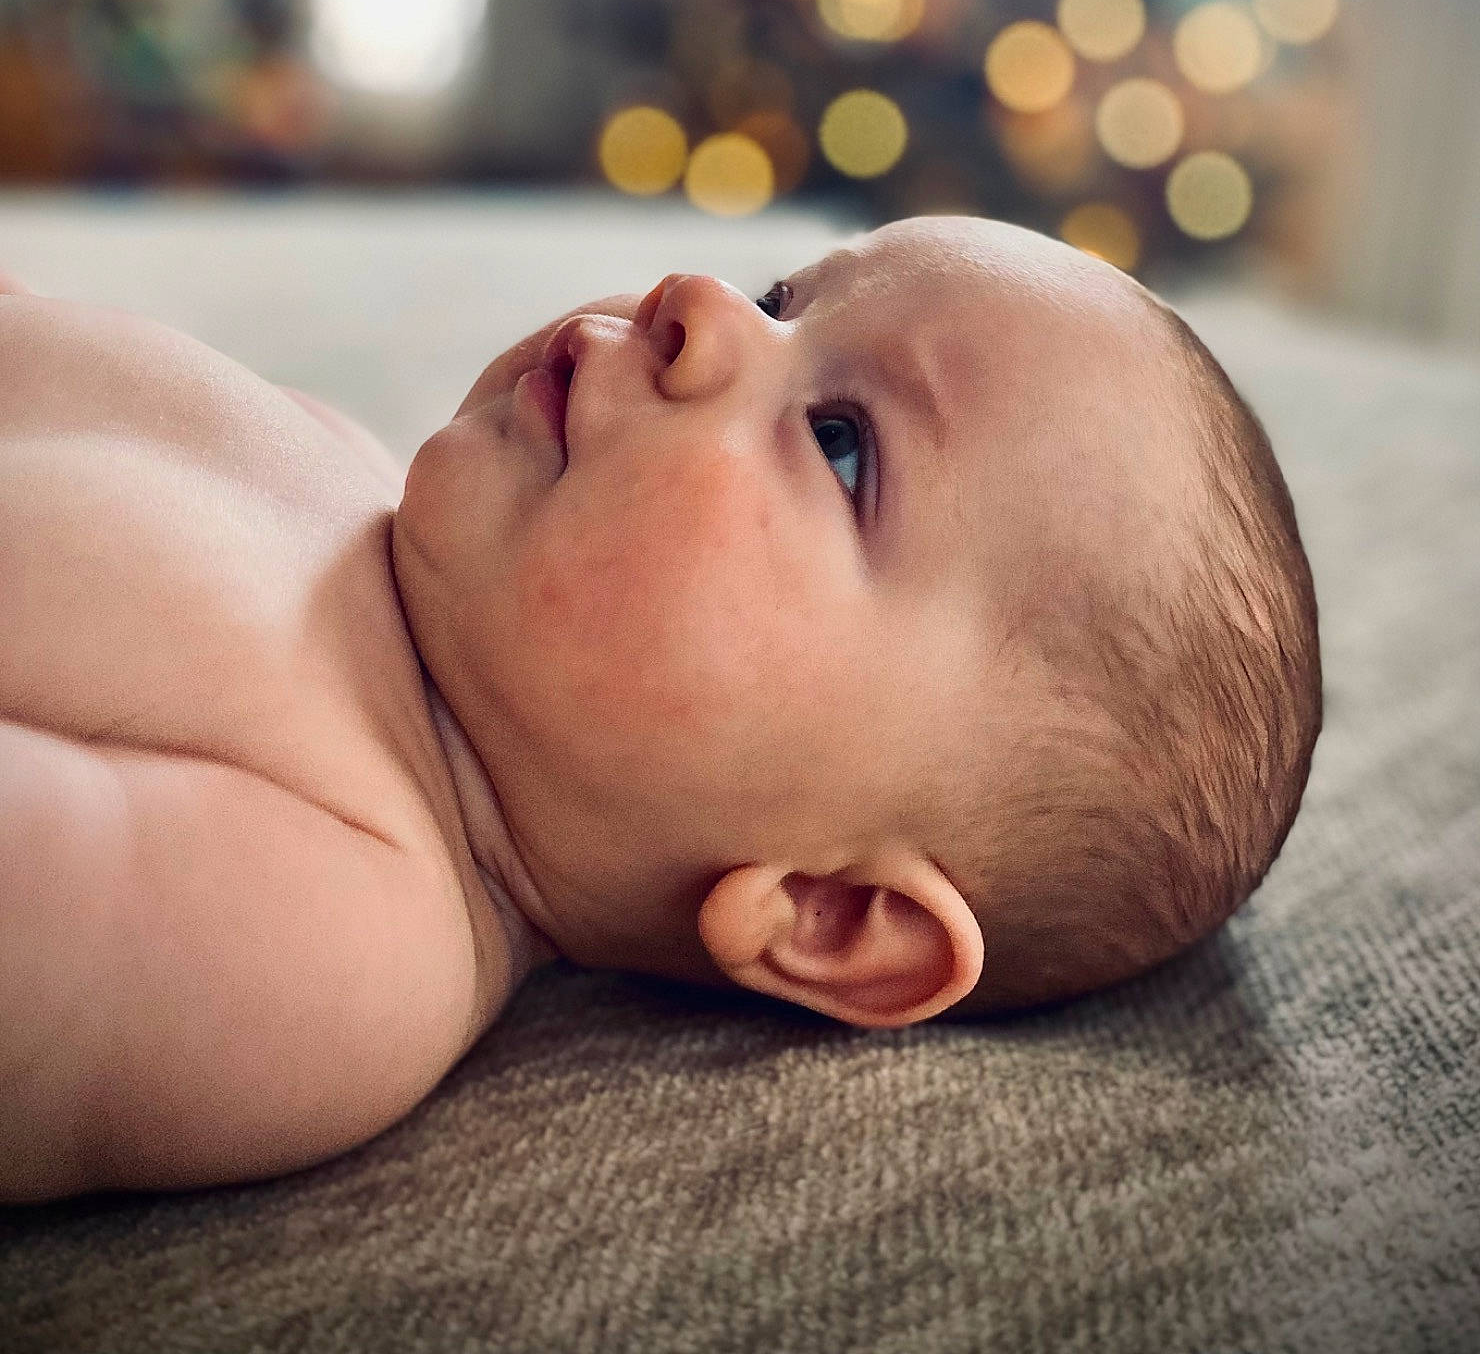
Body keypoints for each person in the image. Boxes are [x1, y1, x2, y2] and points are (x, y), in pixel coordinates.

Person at [0, 216, 1320, 1201]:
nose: (696, 305)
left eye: (841, 439)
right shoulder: (347, 471)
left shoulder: (342, 931)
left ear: (831, 914)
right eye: (780, 295)